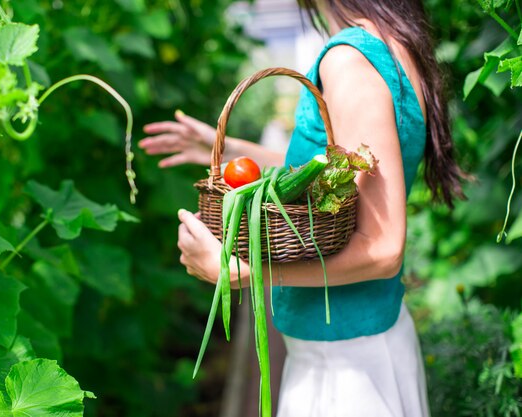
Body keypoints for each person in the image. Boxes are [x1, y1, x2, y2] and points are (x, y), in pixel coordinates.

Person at [140, 0, 465, 415]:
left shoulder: (349, 60)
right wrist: (228, 148)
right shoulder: (390, 39)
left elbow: (383, 250)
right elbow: (325, 172)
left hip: (344, 372)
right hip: (358, 352)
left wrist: (242, 272)